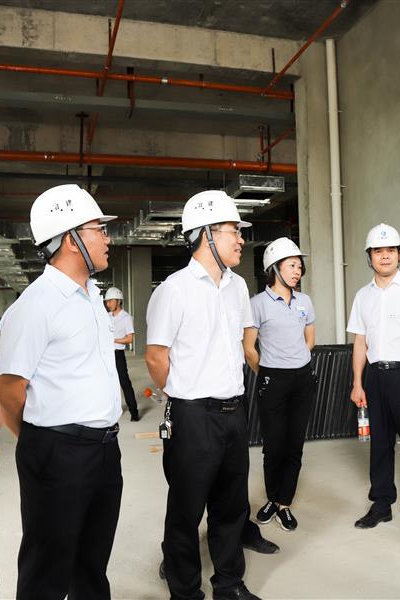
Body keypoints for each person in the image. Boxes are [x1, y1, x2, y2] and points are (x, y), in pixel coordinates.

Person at [0, 184, 123, 599]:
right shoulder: (36, 305)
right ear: (70, 239)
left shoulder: (92, 296)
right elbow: (9, 389)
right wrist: (42, 441)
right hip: (58, 451)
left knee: (92, 564)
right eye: (98, 230)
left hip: (105, 449)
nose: (107, 238)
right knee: (47, 569)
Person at [146, 190, 261, 600]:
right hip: (193, 416)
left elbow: (244, 341)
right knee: (186, 511)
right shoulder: (174, 290)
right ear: (207, 234)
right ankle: (185, 592)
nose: (241, 239)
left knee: (231, 507)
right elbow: (156, 357)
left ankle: (229, 585)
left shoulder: (237, 286)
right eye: (233, 231)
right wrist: (185, 392)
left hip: (234, 411)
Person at [347, 223, 400, 537]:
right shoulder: (363, 296)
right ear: (369, 256)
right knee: (380, 445)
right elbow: (360, 341)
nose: (385, 256)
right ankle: (381, 505)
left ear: (399, 254)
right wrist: (358, 382)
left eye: (390, 250)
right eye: (378, 251)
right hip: (375, 377)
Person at [243, 237, 316, 532]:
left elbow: (310, 340)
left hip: (302, 379)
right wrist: (268, 372)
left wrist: (296, 361)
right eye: (291, 265)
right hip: (272, 379)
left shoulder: (304, 302)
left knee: (295, 445)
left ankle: (284, 503)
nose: (297, 271)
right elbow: (249, 348)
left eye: (299, 266)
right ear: (274, 268)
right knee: (274, 446)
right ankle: (272, 498)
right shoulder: (257, 304)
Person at [105, 287, 141, 421]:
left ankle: (134, 412)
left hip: (118, 354)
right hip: (106, 354)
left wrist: (113, 340)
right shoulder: (107, 316)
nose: (108, 304)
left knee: (124, 383)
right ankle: (111, 411)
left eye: (110, 301)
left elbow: (129, 339)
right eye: (107, 301)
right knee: (108, 384)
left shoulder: (126, 318)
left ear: (118, 301)